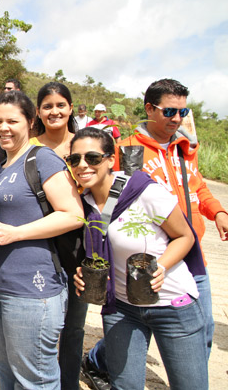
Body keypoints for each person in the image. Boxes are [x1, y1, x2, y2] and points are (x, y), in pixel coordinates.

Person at [82, 78, 228, 387]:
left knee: (203, 328)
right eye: (169, 111)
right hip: (142, 258)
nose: (176, 118)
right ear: (150, 109)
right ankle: (98, 359)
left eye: (182, 111)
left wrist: (216, 211)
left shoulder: (183, 148)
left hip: (187, 250)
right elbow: (105, 192)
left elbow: (197, 185)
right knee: (133, 321)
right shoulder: (127, 150)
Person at [71, 127, 207, 389]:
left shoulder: (143, 192)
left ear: (111, 160)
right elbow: (95, 249)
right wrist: (82, 272)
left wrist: (161, 267)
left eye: (92, 158)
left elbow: (184, 237)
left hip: (172, 304)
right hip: (122, 309)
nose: (82, 165)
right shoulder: (82, 203)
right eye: (74, 159)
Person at [0, 90, 83, 389]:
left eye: (12, 120)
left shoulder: (42, 159)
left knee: (34, 378)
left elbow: (73, 214)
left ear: (30, 121)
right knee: (6, 369)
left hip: (31, 289)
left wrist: (16, 233)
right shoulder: (1, 168)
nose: (4, 127)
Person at [28, 82, 87, 390]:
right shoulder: (28, 145)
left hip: (78, 246)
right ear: (38, 111)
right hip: (37, 244)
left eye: (60, 105)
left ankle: (68, 384)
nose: (54, 111)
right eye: (47, 106)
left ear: (70, 108)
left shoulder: (84, 144)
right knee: (42, 325)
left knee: (74, 327)